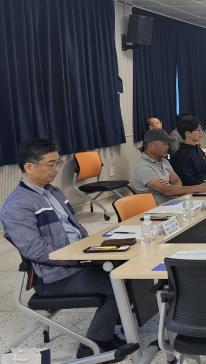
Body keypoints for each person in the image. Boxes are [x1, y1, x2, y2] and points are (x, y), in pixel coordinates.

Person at [0, 139, 122, 358]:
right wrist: (78, 258)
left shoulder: (54, 192)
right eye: (52, 164)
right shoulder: (17, 205)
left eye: (58, 162)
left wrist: (91, 249)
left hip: (79, 261)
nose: (57, 169)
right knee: (119, 284)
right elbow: (34, 250)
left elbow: (76, 228)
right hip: (55, 276)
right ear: (30, 166)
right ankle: (92, 345)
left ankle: (115, 325)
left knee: (125, 268)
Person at [132, 129, 206, 204]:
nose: (168, 147)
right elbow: (166, 191)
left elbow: (177, 180)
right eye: (164, 144)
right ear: (151, 146)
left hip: (172, 204)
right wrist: (198, 188)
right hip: (156, 211)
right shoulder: (144, 168)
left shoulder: (164, 162)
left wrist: (171, 188)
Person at [171, 115, 206, 185]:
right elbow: (188, 180)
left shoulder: (197, 149)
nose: (201, 132)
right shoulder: (181, 155)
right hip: (197, 191)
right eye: (198, 130)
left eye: (201, 129)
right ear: (188, 134)